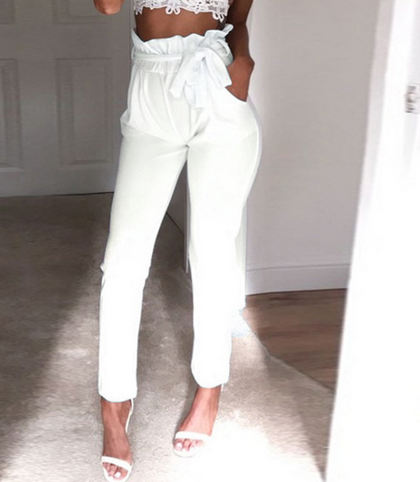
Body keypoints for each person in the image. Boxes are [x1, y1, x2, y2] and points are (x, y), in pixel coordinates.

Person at [93, 0, 261, 480]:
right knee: (123, 260)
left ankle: (210, 388)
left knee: (212, 254)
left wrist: (243, 64)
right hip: (152, 90)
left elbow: (238, 19)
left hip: (220, 89)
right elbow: (108, 7)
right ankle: (114, 402)